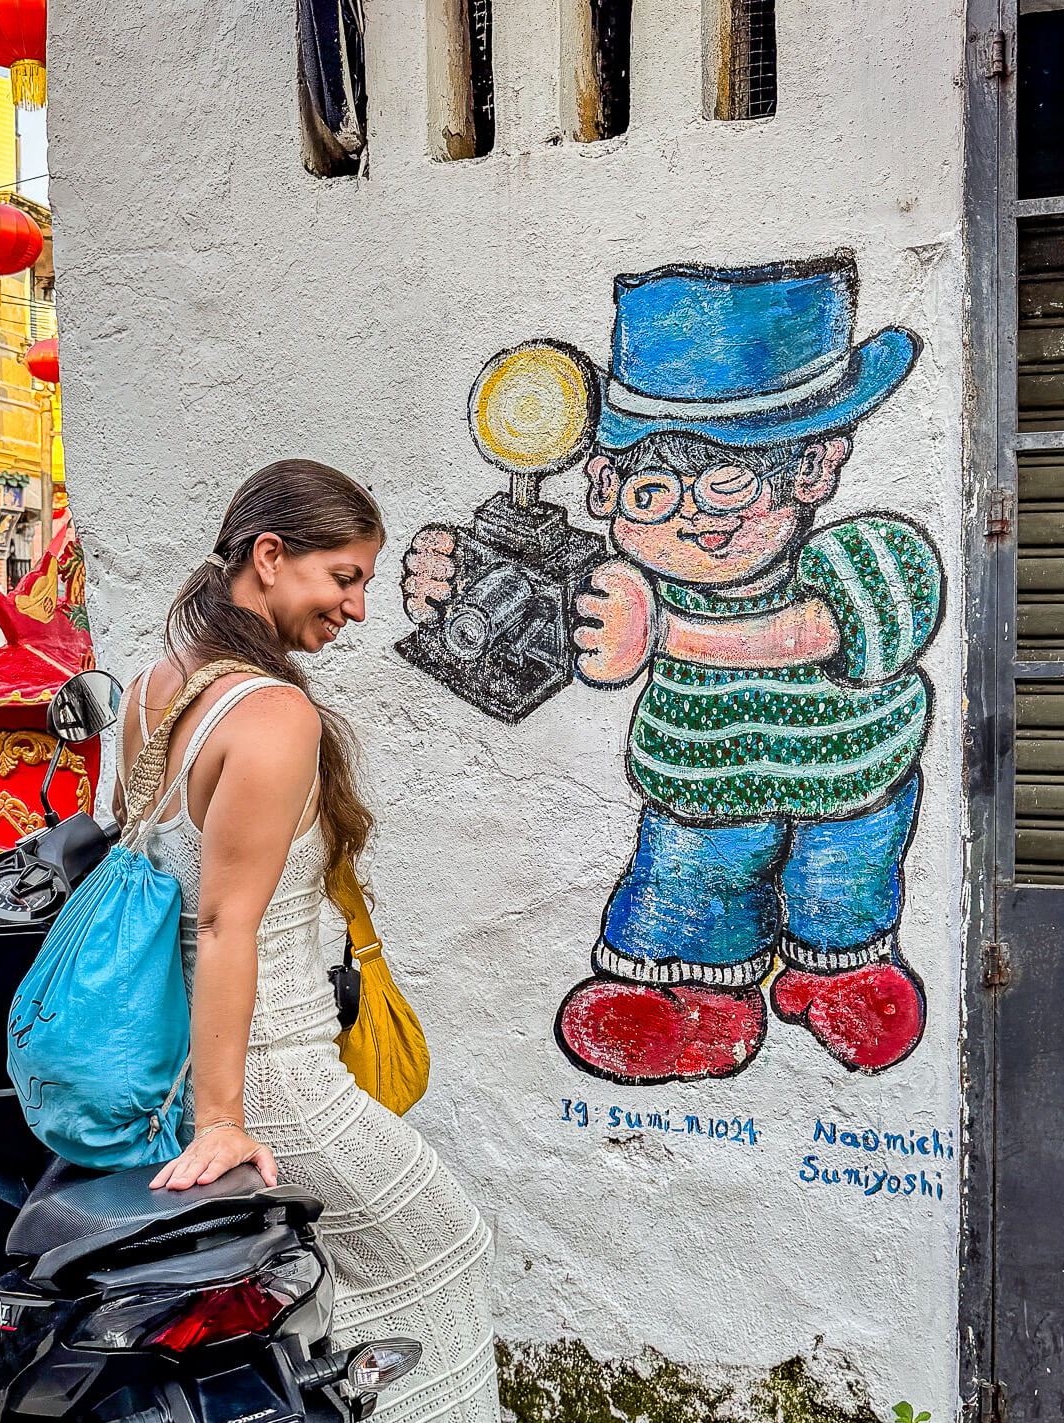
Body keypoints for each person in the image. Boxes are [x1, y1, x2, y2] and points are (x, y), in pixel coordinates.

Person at [113, 459, 518, 1423]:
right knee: (444, 1241)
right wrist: (229, 1120)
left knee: (319, 1292)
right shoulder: (273, 711)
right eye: (342, 577)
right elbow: (225, 919)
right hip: (275, 1067)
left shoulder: (157, 690)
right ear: (268, 556)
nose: (354, 604)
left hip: (181, 1060)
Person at [403, 258, 945, 1082]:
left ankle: (841, 976)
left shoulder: (867, 552)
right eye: (653, 492)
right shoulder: (628, 584)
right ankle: (690, 1005)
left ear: (813, 470)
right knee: (685, 894)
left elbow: (812, 632)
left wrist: (665, 633)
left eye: (726, 484)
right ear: (602, 489)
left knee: (841, 888)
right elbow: (540, 643)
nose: (691, 517)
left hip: (851, 788)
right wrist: (456, 588)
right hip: (698, 794)